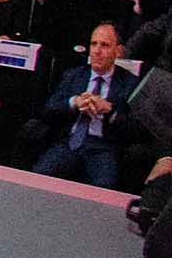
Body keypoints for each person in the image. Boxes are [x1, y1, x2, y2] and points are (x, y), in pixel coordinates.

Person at [29, 22, 137, 189]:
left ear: (118, 51)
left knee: (103, 190)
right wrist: (74, 102)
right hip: (68, 143)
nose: (97, 51)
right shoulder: (74, 75)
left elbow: (137, 128)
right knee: (38, 178)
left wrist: (110, 110)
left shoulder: (129, 83)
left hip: (103, 148)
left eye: (105, 45)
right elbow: (48, 110)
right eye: (93, 44)